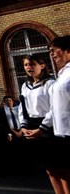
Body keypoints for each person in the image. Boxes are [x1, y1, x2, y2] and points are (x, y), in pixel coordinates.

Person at [43, 36, 70, 193]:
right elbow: (55, 107)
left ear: (67, 50)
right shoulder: (62, 74)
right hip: (60, 134)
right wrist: (41, 128)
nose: (51, 55)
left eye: (53, 51)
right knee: (58, 172)